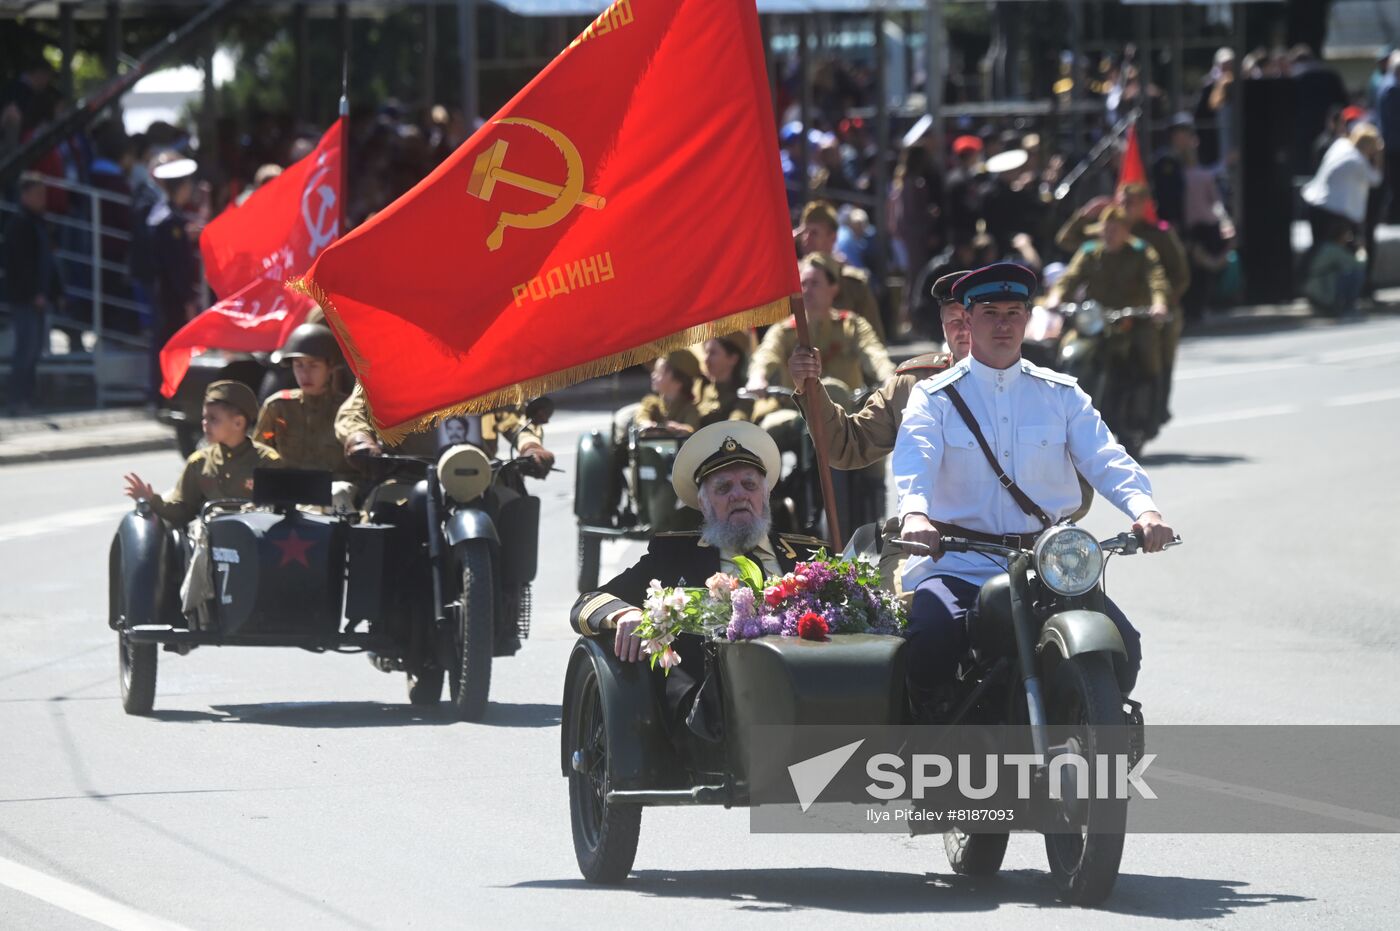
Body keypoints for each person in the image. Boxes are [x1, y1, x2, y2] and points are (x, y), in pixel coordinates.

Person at [892, 263, 1174, 710]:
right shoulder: (935, 396)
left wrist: (1145, 511)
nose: (1003, 323)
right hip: (960, 563)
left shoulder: (1061, 393)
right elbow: (915, 459)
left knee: (1124, 649)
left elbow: (1105, 457)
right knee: (930, 641)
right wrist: (915, 514)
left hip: (1049, 568)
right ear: (967, 320)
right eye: (990, 312)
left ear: (1027, 317)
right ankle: (939, 752)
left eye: (1013, 312)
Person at [569, 421, 826, 747]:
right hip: (711, 715)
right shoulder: (674, 556)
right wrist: (625, 615)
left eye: (749, 484)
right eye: (723, 488)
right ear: (703, 504)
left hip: (810, 695)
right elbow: (588, 602)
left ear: (766, 493)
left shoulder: (809, 555)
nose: (739, 495)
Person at [122, 380, 281, 526]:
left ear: (238, 423)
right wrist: (152, 500)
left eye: (213, 419)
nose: (205, 424)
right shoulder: (199, 462)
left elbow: (277, 512)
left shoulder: (266, 462)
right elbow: (183, 510)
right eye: (204, 418)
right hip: (211, 543)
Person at [254, 323, 354, 481]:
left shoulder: (348, 410)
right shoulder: (278, 407)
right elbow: (259, 454)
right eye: (298, 365)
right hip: (287, 491)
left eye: (314, 365)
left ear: (331, 367)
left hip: (334, 493)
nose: (305, 374)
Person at [1302, 123, 1385, 306]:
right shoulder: (1358, 162)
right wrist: (1379, 157)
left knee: (1321, 255)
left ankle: (1320, 294)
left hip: (1316, 204)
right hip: (1333, 211)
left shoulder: (1341, 145)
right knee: (1342, 258)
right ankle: (1333, 296)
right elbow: (1376, 179)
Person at [4, 173, 60, 414]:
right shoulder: (18, 224)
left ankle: (27, 396)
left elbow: (49, 261)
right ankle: (17, 400)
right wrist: (34, 293)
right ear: (25, 195)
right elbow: (20, 264)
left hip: (38, 296)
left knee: (35, 349)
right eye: (37, 194)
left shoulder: (39, 222)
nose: (42, 199)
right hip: (24, 298)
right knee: (25, 350)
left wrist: (57, 291)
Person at [146, 157, 201, 400]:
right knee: (170, 344)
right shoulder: (169, 221)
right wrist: (188, 298)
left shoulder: (168, 216)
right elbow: (176, 266)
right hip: (172, 297)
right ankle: (165, 396)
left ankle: (165, 395)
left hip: (167, 294)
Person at [794, 201, 884, 340]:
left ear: (833, 237)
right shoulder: (794, 281)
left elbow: (874, 337)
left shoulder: (853, 284)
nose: (806, 239)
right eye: (804, 232)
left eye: (814, 233)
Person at [636, 350, 702, 434]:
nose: (653, 375)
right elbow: (642, 415)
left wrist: (681, 429)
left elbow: (692, 428)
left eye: (659, 373)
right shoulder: (651, 402)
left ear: (678, 382)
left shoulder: (689, 409)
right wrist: (646, 423)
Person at [695, 335, 754, 426]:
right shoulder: (701, 388)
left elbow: (738, 420)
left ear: (733, 359)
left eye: (713, 353)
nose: (706, 359)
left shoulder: (745, 392)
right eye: (706, 352)